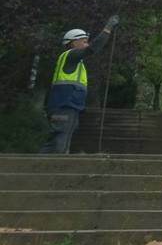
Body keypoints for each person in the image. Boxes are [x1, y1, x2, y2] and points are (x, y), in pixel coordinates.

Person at [38, 15, 118, 154]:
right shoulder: (71, 55)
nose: (87, 44)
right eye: (84, 41)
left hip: (65, 107)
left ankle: (40, 168)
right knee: (60, 142)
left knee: (60, 139)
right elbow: (92, 49)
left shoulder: (72, 61)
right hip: (64, 106)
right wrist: (108, 28)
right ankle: (42, 170)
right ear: (74, 43)